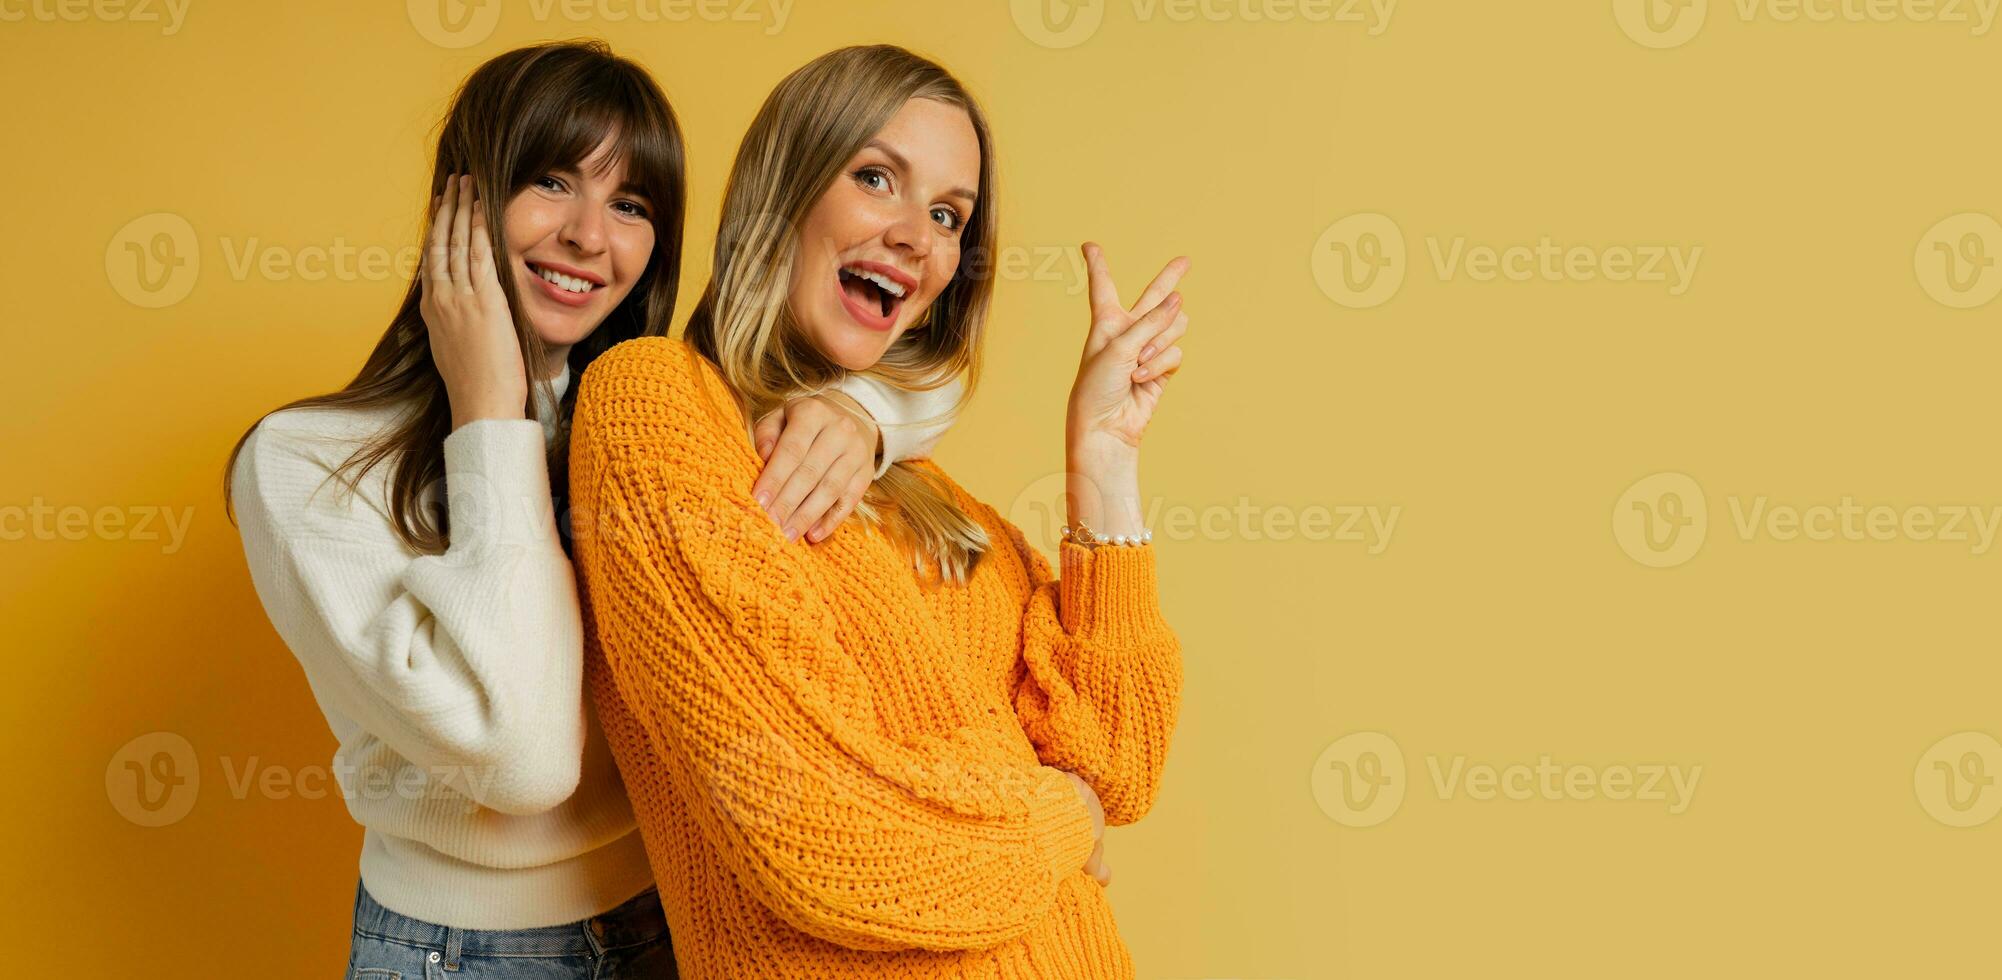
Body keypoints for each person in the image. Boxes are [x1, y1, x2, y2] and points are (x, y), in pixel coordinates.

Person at [223, 41, 959, 977]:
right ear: (464, 198)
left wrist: (865, 415)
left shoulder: (644, 417)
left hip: (677, 918)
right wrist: (488, 408)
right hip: (461, 952)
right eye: (551, 182)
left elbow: (920, 371)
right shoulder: (302, 466)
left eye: (631, 205)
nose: (588, 237)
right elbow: (527, 763)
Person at [569, 44, 1188, 977]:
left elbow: (1119, 760)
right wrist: (1064, 817)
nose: (917, 237)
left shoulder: (938, 500)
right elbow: (815, 833)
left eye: (947, 215)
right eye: (875, 179)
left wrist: (1101, 458)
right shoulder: (658, 407)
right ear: (786, 187)